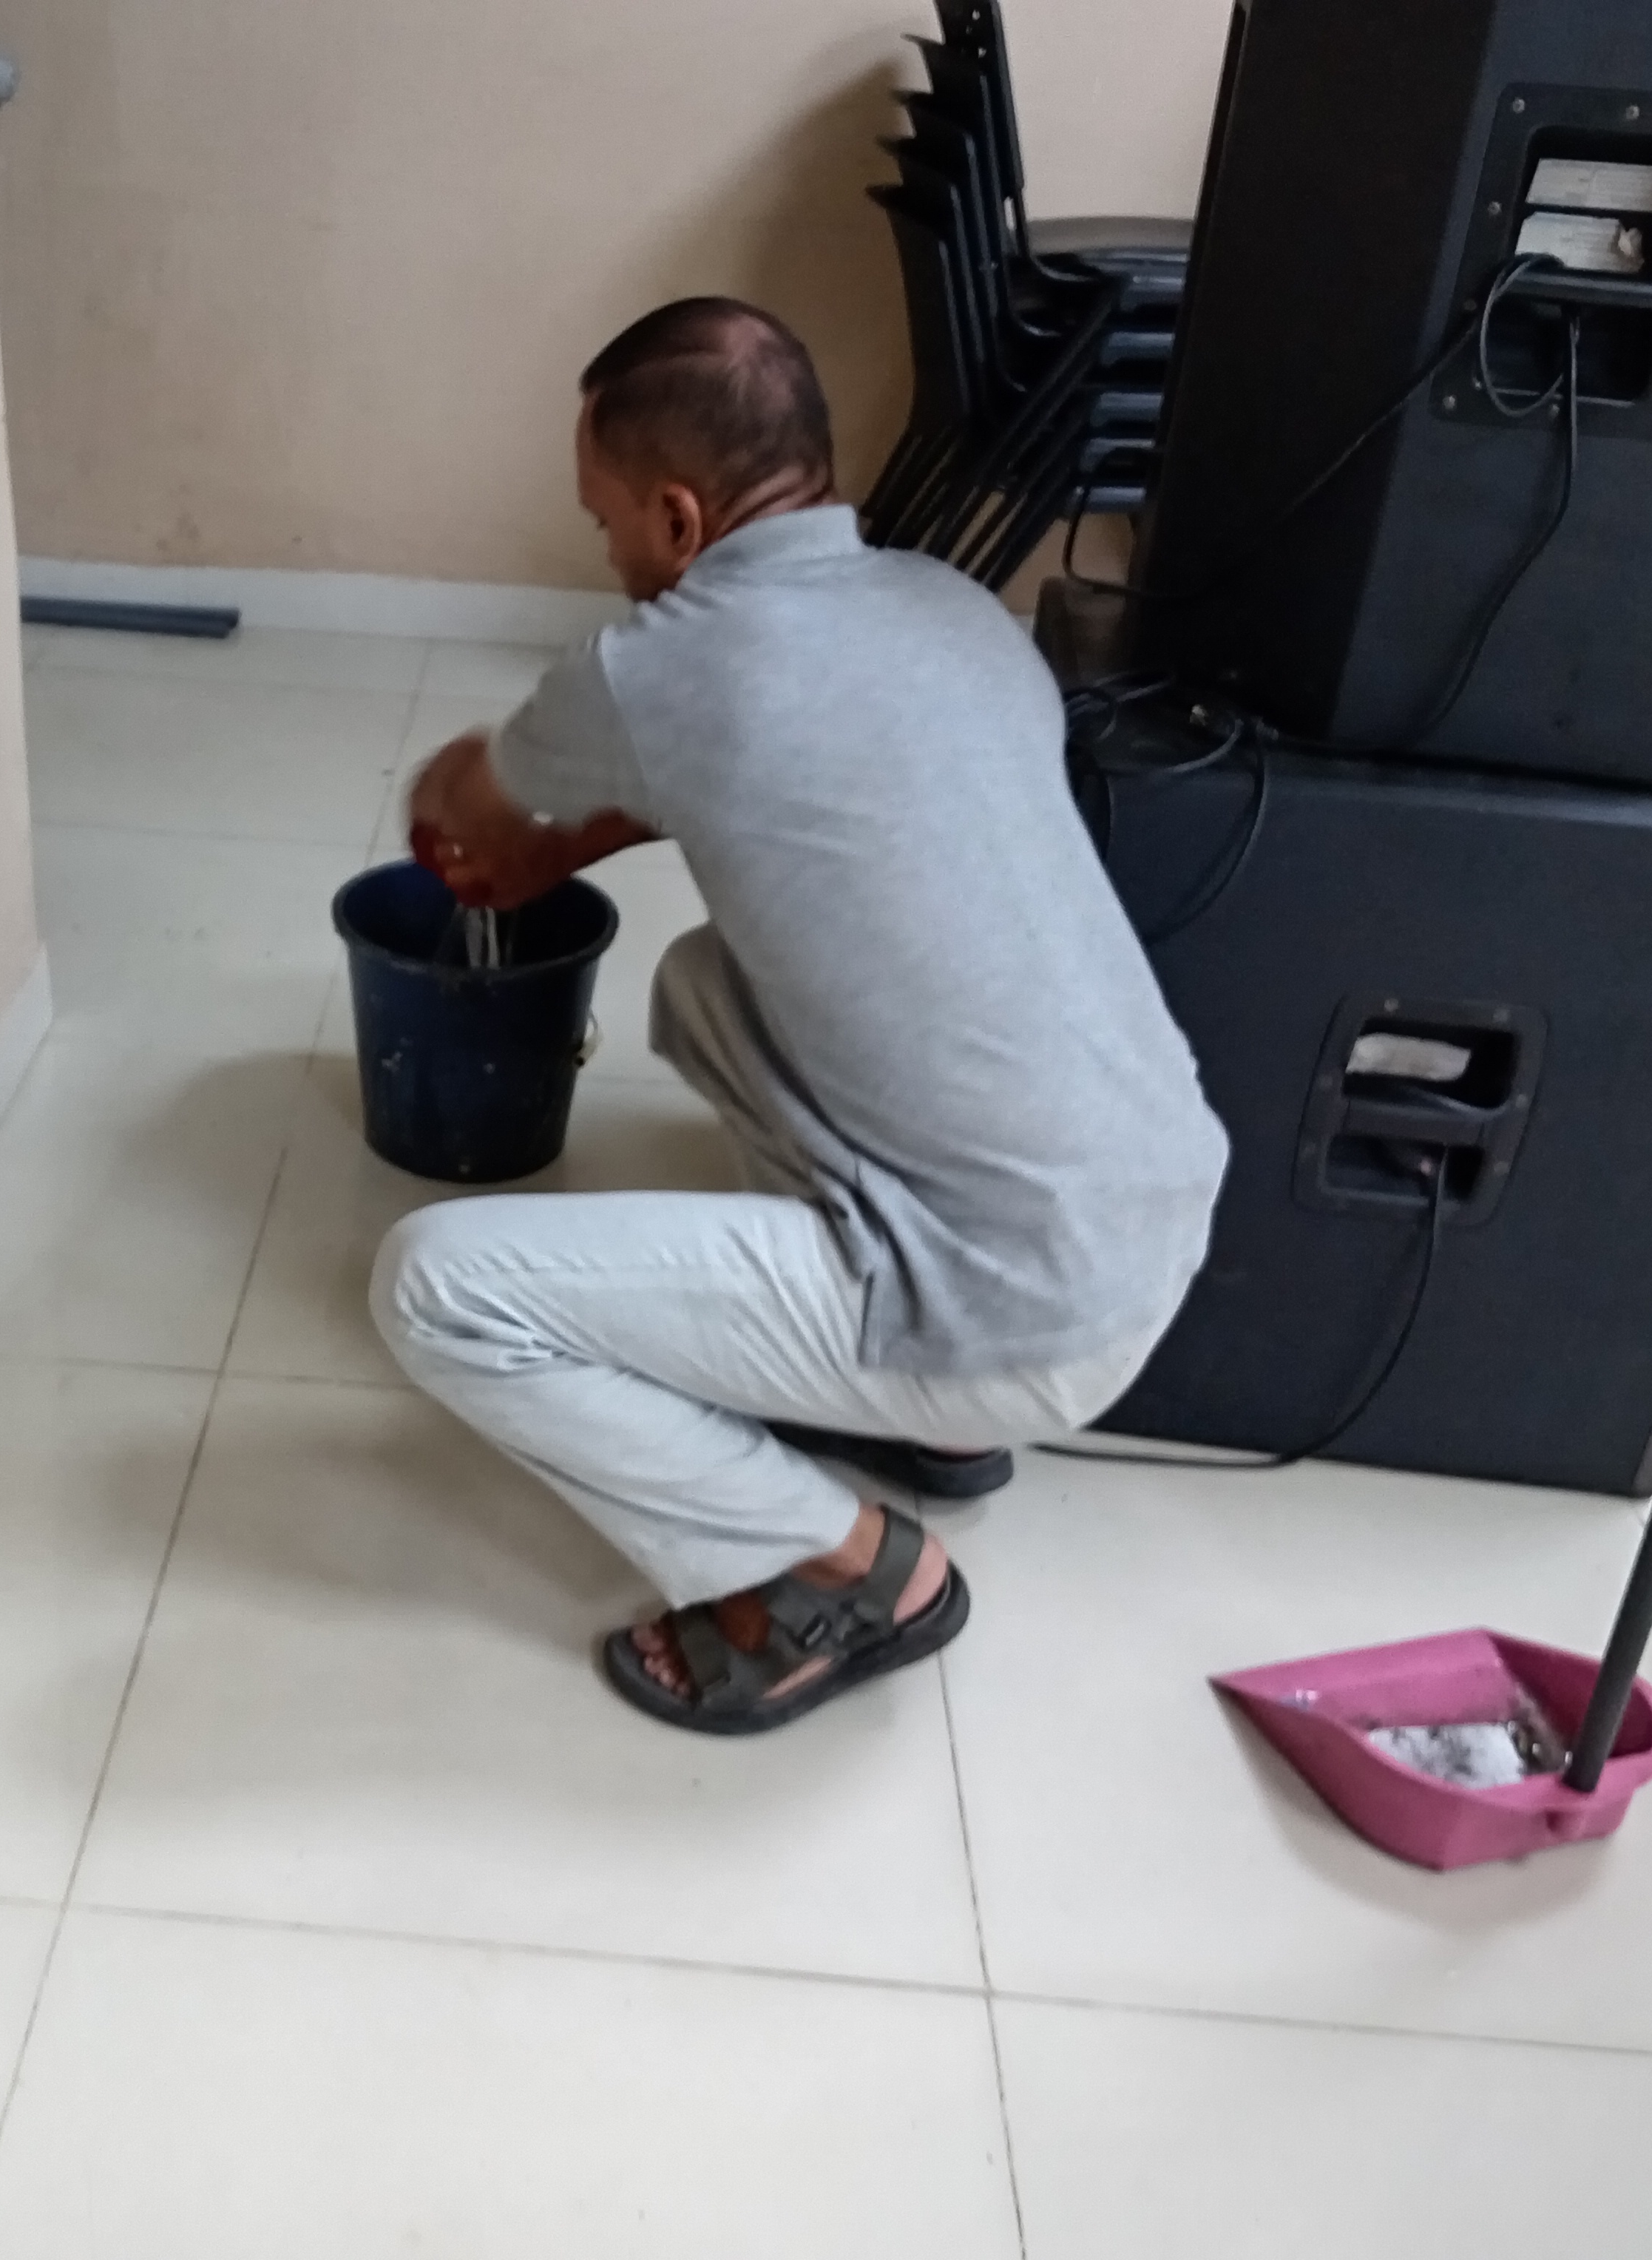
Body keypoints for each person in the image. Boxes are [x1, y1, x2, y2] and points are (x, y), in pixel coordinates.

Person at [373, 297, 1228, 1736]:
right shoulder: (956, 613)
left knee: (436, 1289)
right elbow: (797, 794)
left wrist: (475, 810)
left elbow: (466, 798)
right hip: (1141, 1224)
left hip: (1012, 1309)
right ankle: (930, 1430)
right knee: (704, 983)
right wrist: (571, 841)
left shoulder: (656, 663)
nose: (608, 557)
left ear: (679, 516)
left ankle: (839, 1569)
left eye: (604, 523)